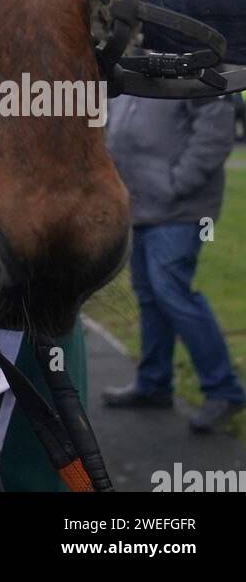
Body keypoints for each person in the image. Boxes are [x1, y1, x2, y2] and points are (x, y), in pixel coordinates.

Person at [102, 88, 245, 432]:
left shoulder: (193, 60)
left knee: (172, 293)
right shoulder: (136, 60)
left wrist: (176, 183)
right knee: (150, 297)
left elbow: (216, 130)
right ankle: (154, 384)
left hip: (180, 208)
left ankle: (224, 389)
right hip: (140, 207)